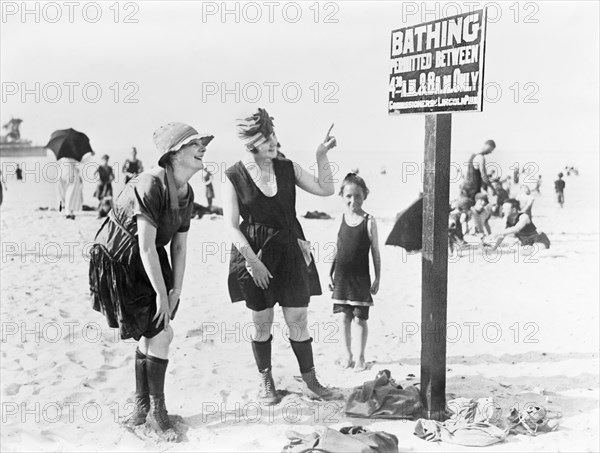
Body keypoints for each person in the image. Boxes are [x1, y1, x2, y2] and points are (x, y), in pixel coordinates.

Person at [89, 122, 213, 442]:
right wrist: (161, 292)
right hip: (121, 259)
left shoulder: (187, 192)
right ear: (173, 154)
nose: (203, 149)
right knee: (161, 332)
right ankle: (156, 413)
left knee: (155, 331)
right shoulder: (149, 184)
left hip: (151, 256)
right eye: (194, 144)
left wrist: (175, 290)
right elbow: (143, 244)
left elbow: (180, 246)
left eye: (203, 144)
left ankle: (142, 409)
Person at [223, 108, 337, 404]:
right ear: (251, 143)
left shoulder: (287, 167)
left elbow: (327, 189)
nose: (274, 140)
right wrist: (252, 261)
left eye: (273, 134)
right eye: (267, 137)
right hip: (255, 253)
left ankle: (310, 380)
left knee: (297, 317)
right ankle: (266, 380)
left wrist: (321, 155)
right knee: (261, 320)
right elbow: (231, 227)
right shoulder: (233, 175)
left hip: (290, 248)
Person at [329, 173, 380, 372]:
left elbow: (375, 251)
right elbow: (336, 248)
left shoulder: (369, 221)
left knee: (360, 318)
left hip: (361, 278)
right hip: (341, 277)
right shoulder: (339, 219)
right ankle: (347, 354)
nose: (353, 200)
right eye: (349, 196)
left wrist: (378, 277)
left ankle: (360, 357)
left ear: (365, 195)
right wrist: (329, 273)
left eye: (358, 196)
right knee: (343, 317)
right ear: (342, 195)